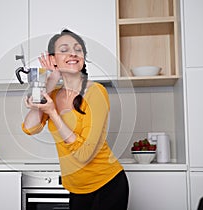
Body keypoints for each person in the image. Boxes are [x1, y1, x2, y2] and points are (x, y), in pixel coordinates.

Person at [22, 29, 129, 210]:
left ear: (83, 57)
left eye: (78, 49)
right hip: (77, 189)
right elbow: (29, 128)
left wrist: (53, 113)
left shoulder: (96, 92)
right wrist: (51, 79)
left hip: (107, 185)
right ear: (53, 59)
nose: (73, 53)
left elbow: (84, 154)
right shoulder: (53, 95)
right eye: (64, 49)